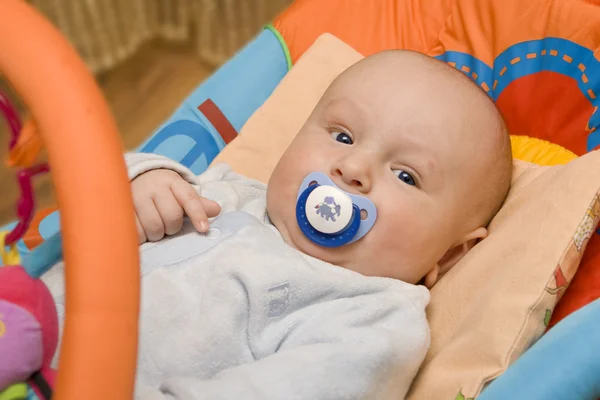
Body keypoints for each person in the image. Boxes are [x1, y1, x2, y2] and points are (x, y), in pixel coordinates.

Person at [46, 50, 512, 399]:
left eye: (406, 175)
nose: (353, 168)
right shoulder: (225, 192)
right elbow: (86, 208)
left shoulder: (372, 319)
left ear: (448, 254)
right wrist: (143, 180)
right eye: (343, 136)